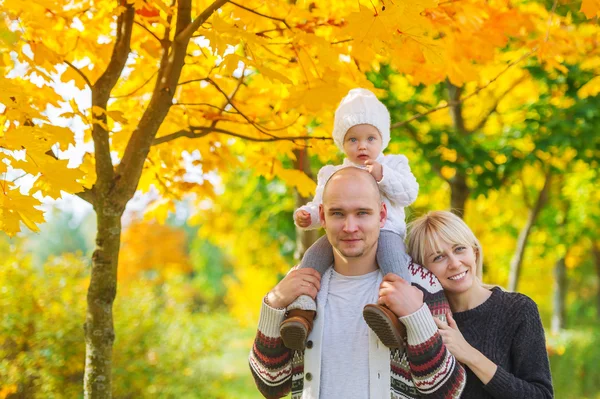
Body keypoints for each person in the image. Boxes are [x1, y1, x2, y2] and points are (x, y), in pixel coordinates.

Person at [249, 168, 465, 399]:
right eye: (338, 213)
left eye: (362, 213)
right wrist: (273, 305)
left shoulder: (421, 285)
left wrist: (415, 316)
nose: (350, 227)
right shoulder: (299, 286)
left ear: (382, 215)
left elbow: (448, 392)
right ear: (322, 216)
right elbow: (271, 385)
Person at [281, 88, 419, 351]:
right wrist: (308, 215)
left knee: (393, 262)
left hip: (387, 231)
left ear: (383, 139)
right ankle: (302, 311)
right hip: (340, 235)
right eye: (353, 140)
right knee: (312, 256)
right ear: (342, 143)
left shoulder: (394, 164)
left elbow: (409, 193)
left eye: (370, 138)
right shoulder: (334, 173)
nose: (362, 146)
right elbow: (323, 206)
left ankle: (395, 313)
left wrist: (383, 175)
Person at [406, 210, 554, 399]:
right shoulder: (424, 322)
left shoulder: (518, 310)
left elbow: (541, 396)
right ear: (423, 271)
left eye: (459, 249)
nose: (454, 263)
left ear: (474, 252)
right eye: (438, 257)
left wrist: (469, 354)